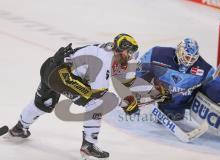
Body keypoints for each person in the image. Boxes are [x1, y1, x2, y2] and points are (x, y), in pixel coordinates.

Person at [8, 33, 139, 159]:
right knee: (97, 103)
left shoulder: (106, 49)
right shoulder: (105, 59)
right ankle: (89, 145)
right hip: (62, 76)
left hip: (50, 66)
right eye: (129, 53)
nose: (130, 56)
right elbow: (100, 94)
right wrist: (125, 104)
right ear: (122, 49)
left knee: (42, 104)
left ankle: (19, 128)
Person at [134, 38, 220, 121]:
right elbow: (139, 71)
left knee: (176, 116)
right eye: (187, 57)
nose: (189, 61)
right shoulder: (157, 54)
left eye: (192, 58)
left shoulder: (202, 67)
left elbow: (215, 85)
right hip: (158, 99)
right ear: (179, 51)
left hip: (181, 103)